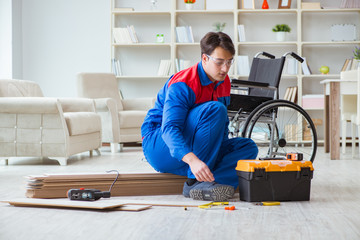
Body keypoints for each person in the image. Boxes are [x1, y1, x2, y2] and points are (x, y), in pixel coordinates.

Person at [141, 32, 258, 201]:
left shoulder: (223, 81)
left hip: (195, 147)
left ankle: (210, 183)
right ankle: (194, 182)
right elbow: (169, 129)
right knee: (214, 109)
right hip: (160, 145)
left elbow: (220, 127)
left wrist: (221, 150)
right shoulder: (183, 84)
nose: (225, 69)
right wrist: (194, 161)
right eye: (219, 62)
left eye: (229, 62)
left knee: (248, 147)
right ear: (204, 59)